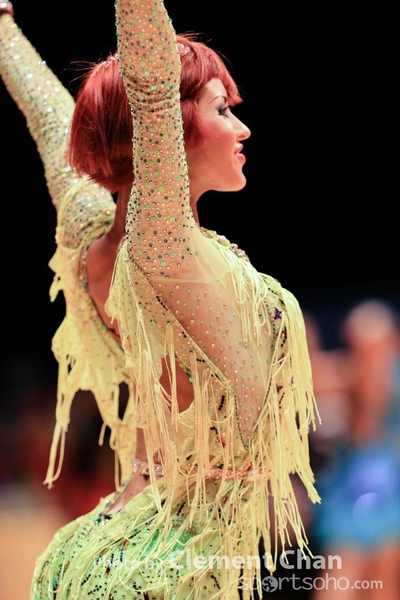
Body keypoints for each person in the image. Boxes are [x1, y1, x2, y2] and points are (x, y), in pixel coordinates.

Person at [1, 1, 320, 598]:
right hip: (171, 560)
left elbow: (48, 121)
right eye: (222, 109)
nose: (242, 128)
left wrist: (4, 32)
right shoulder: (163, 248)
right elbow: (150, 86)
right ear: (170, 130)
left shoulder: (96, 241)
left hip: (122, 537)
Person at [310, 299, 400, 600]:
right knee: (345, 570)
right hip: (353, 483)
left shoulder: (369, 374)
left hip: (385, 481)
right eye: (360, 345)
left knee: (382, 576)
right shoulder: (344, 372)